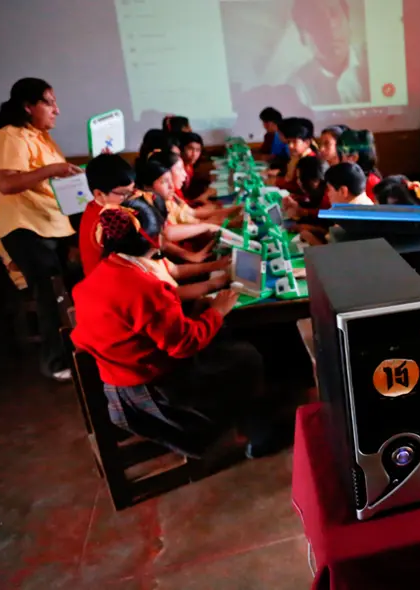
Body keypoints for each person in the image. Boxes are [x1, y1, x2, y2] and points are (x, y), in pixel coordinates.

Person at [70, 197, 276, 459]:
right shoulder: (144, 287)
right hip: (155, 395)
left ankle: (248, 422)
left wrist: (206, 306)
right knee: (248, 358)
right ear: (156, 240)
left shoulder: (105, 271)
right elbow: (184, 345)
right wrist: (217, 310)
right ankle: (256, 437)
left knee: (222, 339)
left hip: (119, 385)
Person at [0, 77, 83, 381]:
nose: (57, 109)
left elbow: (50, 184)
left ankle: (82, 349)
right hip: (25, 227)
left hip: (53, 224)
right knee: (49, 292)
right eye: (49, 102)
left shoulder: (42, 138)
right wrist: (54, 170)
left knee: (74, 287)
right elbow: (7, 182)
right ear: (28, 107)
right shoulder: (10, 136)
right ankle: (56, 362)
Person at [80, 155, 229, 297]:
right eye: (124, 194)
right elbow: (160, 293)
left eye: (132, 190)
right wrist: (213, 281)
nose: (132, 197)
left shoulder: (116, 210)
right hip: (115, 294)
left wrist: (214, 266)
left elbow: (169, 268)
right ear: (99, 194)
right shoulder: (108, 224)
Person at [135, 151, 219, 263]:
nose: (171, 187)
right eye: (164, 182)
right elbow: (167, 234)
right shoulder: (145, 210)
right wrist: (206, 226)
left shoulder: (165, 199)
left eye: (170, 181)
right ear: (147, 187)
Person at [289, 0, 370, 106]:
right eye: (317, 19)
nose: (331, 25)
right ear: (302, 37)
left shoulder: (375, 59)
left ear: (348, 20)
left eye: (335, 13)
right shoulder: (296, 89)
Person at [275, 117, 316, 190]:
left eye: (294, 142)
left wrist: (277, 183)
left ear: (307, 142)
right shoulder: (296, 157)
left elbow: (306, 190)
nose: (290, 146)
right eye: (288, 142)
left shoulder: (310, 161)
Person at [339, 129, 381, 196]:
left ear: (354, 157)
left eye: (344, 152)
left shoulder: (371, 183)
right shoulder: (351, 179)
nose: (341, 158)